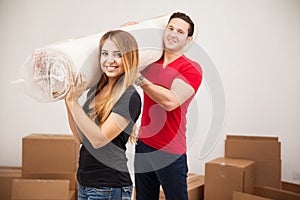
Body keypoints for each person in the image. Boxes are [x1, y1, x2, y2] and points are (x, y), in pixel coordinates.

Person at [64, 30, 141, 200]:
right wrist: (67, 99)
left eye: (117, 54)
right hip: (86, 183)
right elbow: (81, 138)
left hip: (109, 185)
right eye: (105, 53)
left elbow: (99, 140)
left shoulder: (130, 97)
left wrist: (73, 103)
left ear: (129, 58)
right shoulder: (95, 90)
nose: (109, 60)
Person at [133, 12, 203, 200]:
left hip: (170, 152)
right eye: (170, 28)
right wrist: (129, 31)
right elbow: (123, 59)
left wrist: (140, 79)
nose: (173, 34)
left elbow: (171, 102)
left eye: (180, 31)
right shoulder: (150, 62)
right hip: (144, 146)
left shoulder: (191, 68)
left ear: (188, 39)